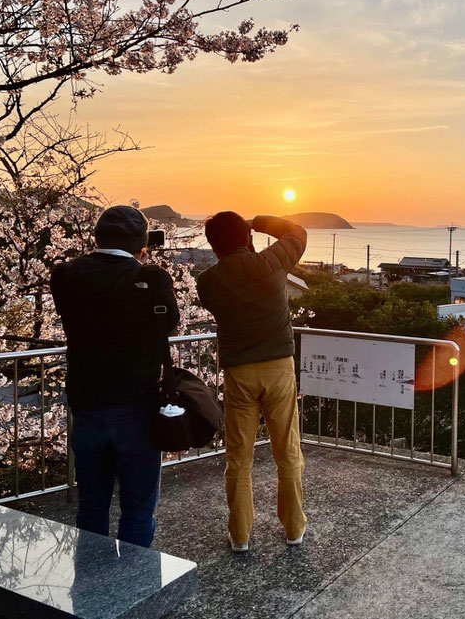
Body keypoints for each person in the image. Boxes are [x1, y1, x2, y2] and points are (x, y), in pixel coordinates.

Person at [50, 205, 179, 548]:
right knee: (137, 508)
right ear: (141, 241)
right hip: (136, 406)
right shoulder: (151, 278)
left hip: (86, 404)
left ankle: (91, 589)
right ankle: (132, 591)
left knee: (91, 506)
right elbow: (169, 324)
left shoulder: (64, 274)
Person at [196, 212, 307, 552]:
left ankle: (240, 535)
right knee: (287, 450)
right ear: (247, 237)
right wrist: (258, 221)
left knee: (239, 457)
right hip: (278, 367)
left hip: (239, 371)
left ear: (214, 246)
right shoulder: (271, 262)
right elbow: (297, 232)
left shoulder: (208, 281)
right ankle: (293, 528)